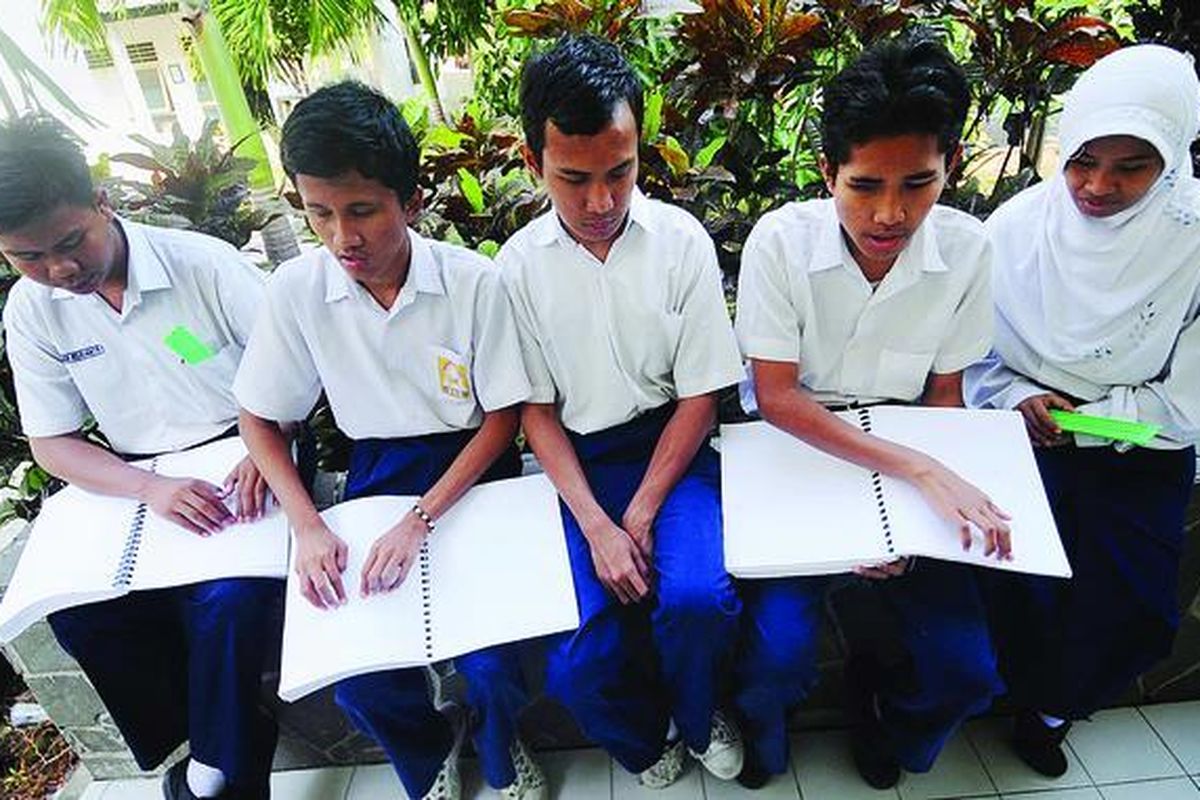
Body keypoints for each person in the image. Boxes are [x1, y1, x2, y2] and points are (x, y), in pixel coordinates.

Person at [234, 82, 543, 800]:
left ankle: (500, 745)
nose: (342, 237)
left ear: (410, 202)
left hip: (475, 467)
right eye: (319, 213)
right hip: (376, 469)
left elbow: (503, 417)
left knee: (495, 661)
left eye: (362, 211)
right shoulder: (297, 291)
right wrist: (308, 526)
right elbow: (259, 418)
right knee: (360, 675)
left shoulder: (473, 284)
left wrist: (420, 519)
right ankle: (431, 749)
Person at [732, 34, 1010, 790]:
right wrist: (916, 472)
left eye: (919, 183)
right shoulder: (780, 245)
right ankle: (764, 728)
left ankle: (890, 718)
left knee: (967, 670)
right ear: (828, 171)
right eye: (863, 186)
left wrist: (909, 527)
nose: (891, 213)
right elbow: (778, 397)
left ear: (951, 164)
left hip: (908, 454)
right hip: (797, 454)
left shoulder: (968, 251)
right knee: (778, 652)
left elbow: (944, 398)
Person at [0, 114, 281, 800]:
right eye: (27, 257)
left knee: (231, 602)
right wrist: (147, 489)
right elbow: (53, 442)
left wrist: (266, 445)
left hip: (245, 454)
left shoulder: (204, 266)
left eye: (70, 243)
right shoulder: (34, 310)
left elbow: (292, 372)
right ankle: (217, 745)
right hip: (139, 482)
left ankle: (211, 774)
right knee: (82, 615)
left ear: (102, 202)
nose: (59, 270)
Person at [497, 34, 747, 789]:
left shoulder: (680, 243)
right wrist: (600, 526)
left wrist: (638, 514)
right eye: (573, 179)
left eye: (621, 172)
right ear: (533, 160)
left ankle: (700, 717)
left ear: (641, 148)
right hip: (575, 464)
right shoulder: (516, 269)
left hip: (673, 449)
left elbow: (701, 395)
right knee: (575, 659)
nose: (601, 202)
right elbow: (535, 411)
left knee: (698, 600)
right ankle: (648, 738)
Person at [964, 44, 1200, 778]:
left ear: (1172, 161)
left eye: (1132, 167)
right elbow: (969, 353)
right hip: (1023, 436)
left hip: (1141, 448)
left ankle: (1052, 709)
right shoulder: (1016, 228)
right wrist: (1019, 396)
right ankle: (1013, 697)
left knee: (1134, 606)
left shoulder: (1193, 240)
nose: (1097, 186)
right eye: (1083, 161)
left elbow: (1189, 396)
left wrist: (1094, 421)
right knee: (1017, 584)